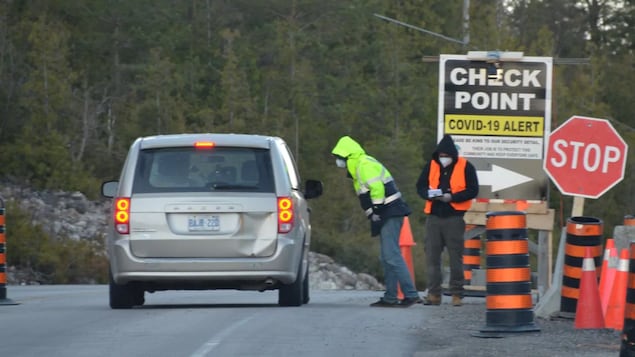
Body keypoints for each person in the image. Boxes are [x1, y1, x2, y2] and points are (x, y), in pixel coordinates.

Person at [331, 135, 421, 307]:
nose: (338, 162)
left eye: (339, 158)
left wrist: (377, 209)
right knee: (387, 256)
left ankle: (410, 294)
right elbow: (366, 196)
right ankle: (390, 296)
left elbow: (377, 188)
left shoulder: (363, 164)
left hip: (390, 212)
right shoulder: (358, 167)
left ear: (347, 156)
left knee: (391, 255)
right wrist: (373, 213)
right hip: (388, 213)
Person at [416, 134, 479, 307]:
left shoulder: (466, 167)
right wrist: (428, 194)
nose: (444, 159)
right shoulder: (431, 166)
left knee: (455, 258)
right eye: (441, 156)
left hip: (454, 218)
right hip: (433, 217)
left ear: (453, 155)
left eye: (447, 156)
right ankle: (434, 294)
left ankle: (457, 294)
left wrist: (453, 197)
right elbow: (420, 186)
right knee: (432, 257)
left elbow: (473, 190)